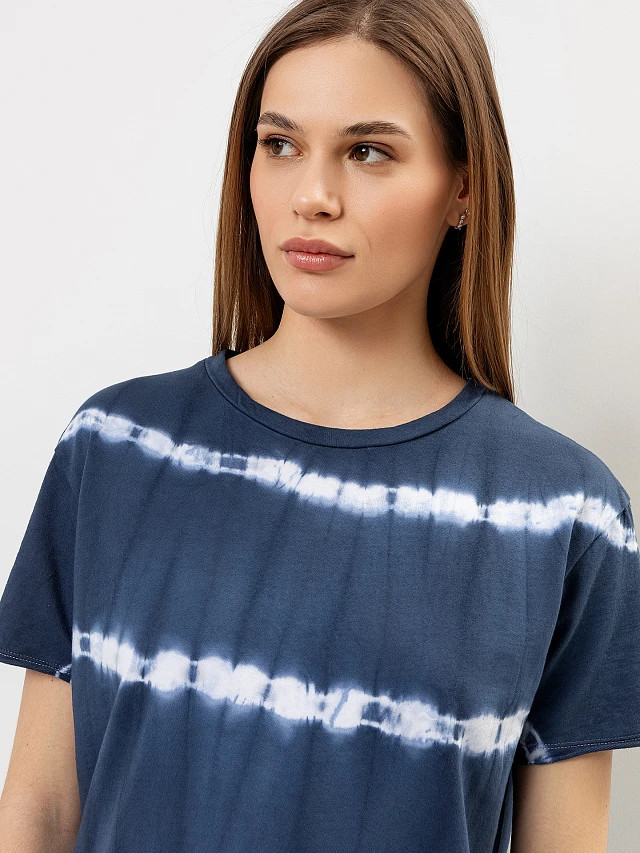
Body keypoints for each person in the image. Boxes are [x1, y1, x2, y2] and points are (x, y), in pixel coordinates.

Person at [0, 0, 638, 850]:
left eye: (368, 151)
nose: (312, 196)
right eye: (280, 144)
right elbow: (39, 814)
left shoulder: (561, 515)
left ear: (464, 188)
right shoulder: (117, 448)